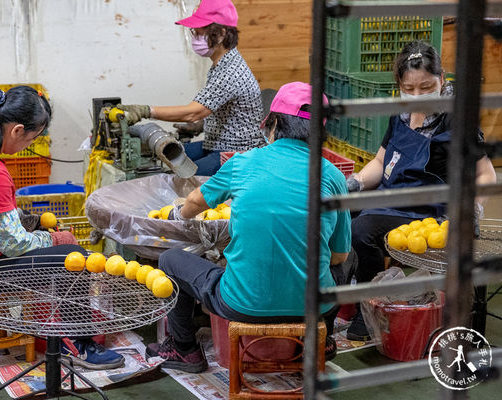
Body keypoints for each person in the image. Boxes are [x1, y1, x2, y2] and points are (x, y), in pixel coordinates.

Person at [144, 82, 352, 373]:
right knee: (350, 256)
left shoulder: (243, 163)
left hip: (242, 305)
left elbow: (192, 203)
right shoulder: (332, 176)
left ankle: (185, 350)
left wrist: (180, 212)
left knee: (169, 259)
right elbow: (339, 258)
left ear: (274, 121)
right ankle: (323, 338)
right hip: (313, 306)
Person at [0, 86, 124, 370]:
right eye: (31, 138)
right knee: (76, 258)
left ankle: (69, 331)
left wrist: (28, 220)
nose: (27, 145)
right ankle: (78, 344)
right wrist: (55, 239)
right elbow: (13, 245)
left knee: (55, 244)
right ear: (17, 130)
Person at [345, 41, 497, 341]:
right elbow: (381, 159)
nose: (416, 95)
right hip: (393, 197)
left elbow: (485, 173)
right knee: (339, 213)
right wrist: (357, 183)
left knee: (361, 229)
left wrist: (471, 211)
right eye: (408, 88)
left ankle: (369, 310)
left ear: (442, 80)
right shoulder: (400, 114)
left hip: (428, 211)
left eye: (426, 86)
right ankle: (354, 294)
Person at [118, 0, 264, 176]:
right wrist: (201, 125)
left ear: (221, 33)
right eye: (193, 31)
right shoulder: (222, 65)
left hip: (236, 153)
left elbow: (192, 112)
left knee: (178, 178)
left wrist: (145, 111)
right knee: (169, 158)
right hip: (217, 143)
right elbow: (222, 109)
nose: (195, 35)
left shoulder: (231, 71)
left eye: (200, 31)